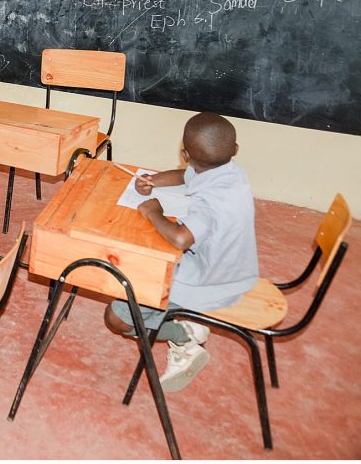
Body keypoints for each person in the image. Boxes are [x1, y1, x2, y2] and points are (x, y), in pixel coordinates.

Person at [103, 112, 258, 392]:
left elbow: (180, 239)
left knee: (116, 316)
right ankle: (179, 326)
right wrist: (154, 180)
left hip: (210, 280)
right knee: (141, 264)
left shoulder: (212, 201)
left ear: (184, 153)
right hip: (235, 268)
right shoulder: (232, 173)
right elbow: (188, 175)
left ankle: (184, 337)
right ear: (235, 149)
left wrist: (154, 212)